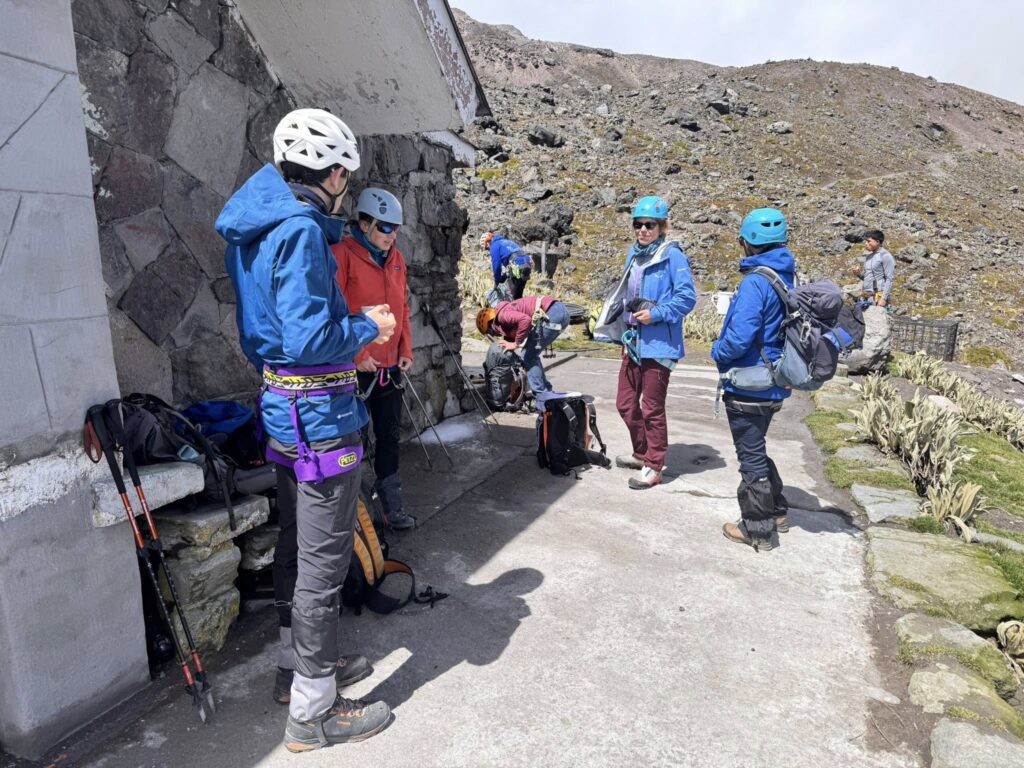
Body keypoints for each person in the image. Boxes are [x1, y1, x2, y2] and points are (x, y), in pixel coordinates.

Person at [216, 108, 396, 752]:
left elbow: (278, 335)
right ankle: (313, 714)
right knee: (323, 562)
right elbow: (313, 337)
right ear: (338, 172)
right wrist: (367, 326)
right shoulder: (300, 233)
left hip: (283, 412)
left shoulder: (255, 228)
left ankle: (298, 665)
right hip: (322, 418)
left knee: (298, 542)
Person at [595, 196, 696, 490]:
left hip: (659, 344)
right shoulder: (634, 254)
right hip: (634, 340)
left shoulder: (672, 256)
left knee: (651, 407)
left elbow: (687, 297)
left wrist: (657, 314)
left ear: (662, 227)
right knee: (625, 404)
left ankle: (654, 465)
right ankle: (642, 453)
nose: (643, 230)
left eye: (649, 225)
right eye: (638, 224)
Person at [712, 207, 794, 552]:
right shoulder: (786, 275)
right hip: (774, 379)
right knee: (756, 447)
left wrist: (717, 351)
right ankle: (776, 512)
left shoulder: (755, 282)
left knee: (751, 457)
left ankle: (758, 529)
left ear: (747, 243)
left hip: (749, 383)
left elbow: (740, 337)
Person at [332, 188, 415, 531]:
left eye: (395, 228)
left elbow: (402, 309)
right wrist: (357, 353)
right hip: (357, 370)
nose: (391, 235)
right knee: (355, 441)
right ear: (364, 224)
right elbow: (332, 311)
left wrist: (405, 350)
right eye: (385, 227)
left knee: (390, 437)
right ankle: (355, 513)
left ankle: (390, 507)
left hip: (390, 369)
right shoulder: (342, 255)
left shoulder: (396, 259)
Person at [475, 295, 570, 395]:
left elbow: (526, 320)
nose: (495, 334)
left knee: (528, 356)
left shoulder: (502, 316)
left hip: (553, 312)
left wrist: (516, 343)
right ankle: (546, 391)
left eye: (491, 332)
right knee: (531, 354)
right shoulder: (506, 324)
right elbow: (509, 355)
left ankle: (542, 394)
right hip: (560, 312)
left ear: (490, 324)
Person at [482, 231, 533, 299]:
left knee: (508, 297)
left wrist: (496, 283)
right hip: (526, 265)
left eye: (487, 248)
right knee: (518, 296)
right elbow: (509, 268)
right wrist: (501, 279)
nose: (489, 250)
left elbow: (497, 267)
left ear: (487, 243)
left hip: (517, 266)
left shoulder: (494, 246)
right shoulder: (507, 242)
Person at [859, 229, 895, 308]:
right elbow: (867, 277)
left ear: (877, 242)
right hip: (866, 297)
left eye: (869, 241)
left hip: (877, 297)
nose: (866, 244)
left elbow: (889, 278)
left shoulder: (885, 256)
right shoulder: (868, 257)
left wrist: (884, 298)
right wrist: (858, 274)